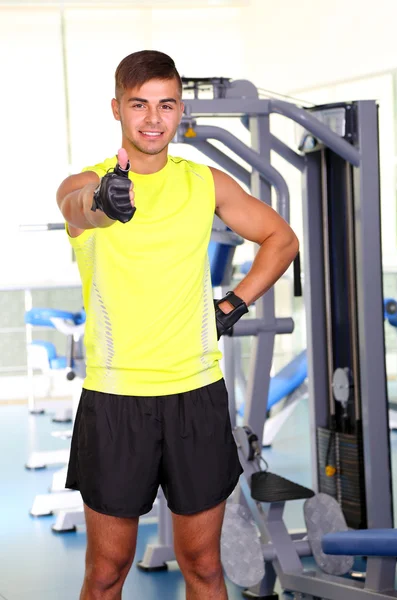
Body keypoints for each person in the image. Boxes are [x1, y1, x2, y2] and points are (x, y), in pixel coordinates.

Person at [56, 50, 299, 600]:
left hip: (196, 394)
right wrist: (102, 202)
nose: (152, 118)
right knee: (104, 571)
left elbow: (281, 239)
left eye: (165, 105)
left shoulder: (205, 183)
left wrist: (232, 305)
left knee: (205, 567)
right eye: (138, 105)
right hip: (117, 398)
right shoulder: (87, 181)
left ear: (180, 110)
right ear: (116, 108)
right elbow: (75, 207)